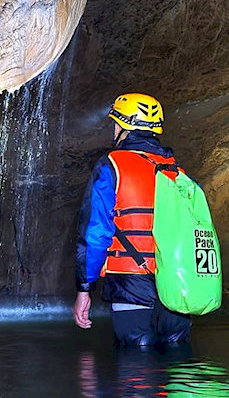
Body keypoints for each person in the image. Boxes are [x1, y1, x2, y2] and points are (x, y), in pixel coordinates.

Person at [72, 92, 192, 347]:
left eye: (115, 123)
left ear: (123, 126)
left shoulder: (112, 165)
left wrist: (85, 287)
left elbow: (96, 232)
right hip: (176, 281)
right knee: (176, 358)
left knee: (137, 362)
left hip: (130, 282)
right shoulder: (176, 170)